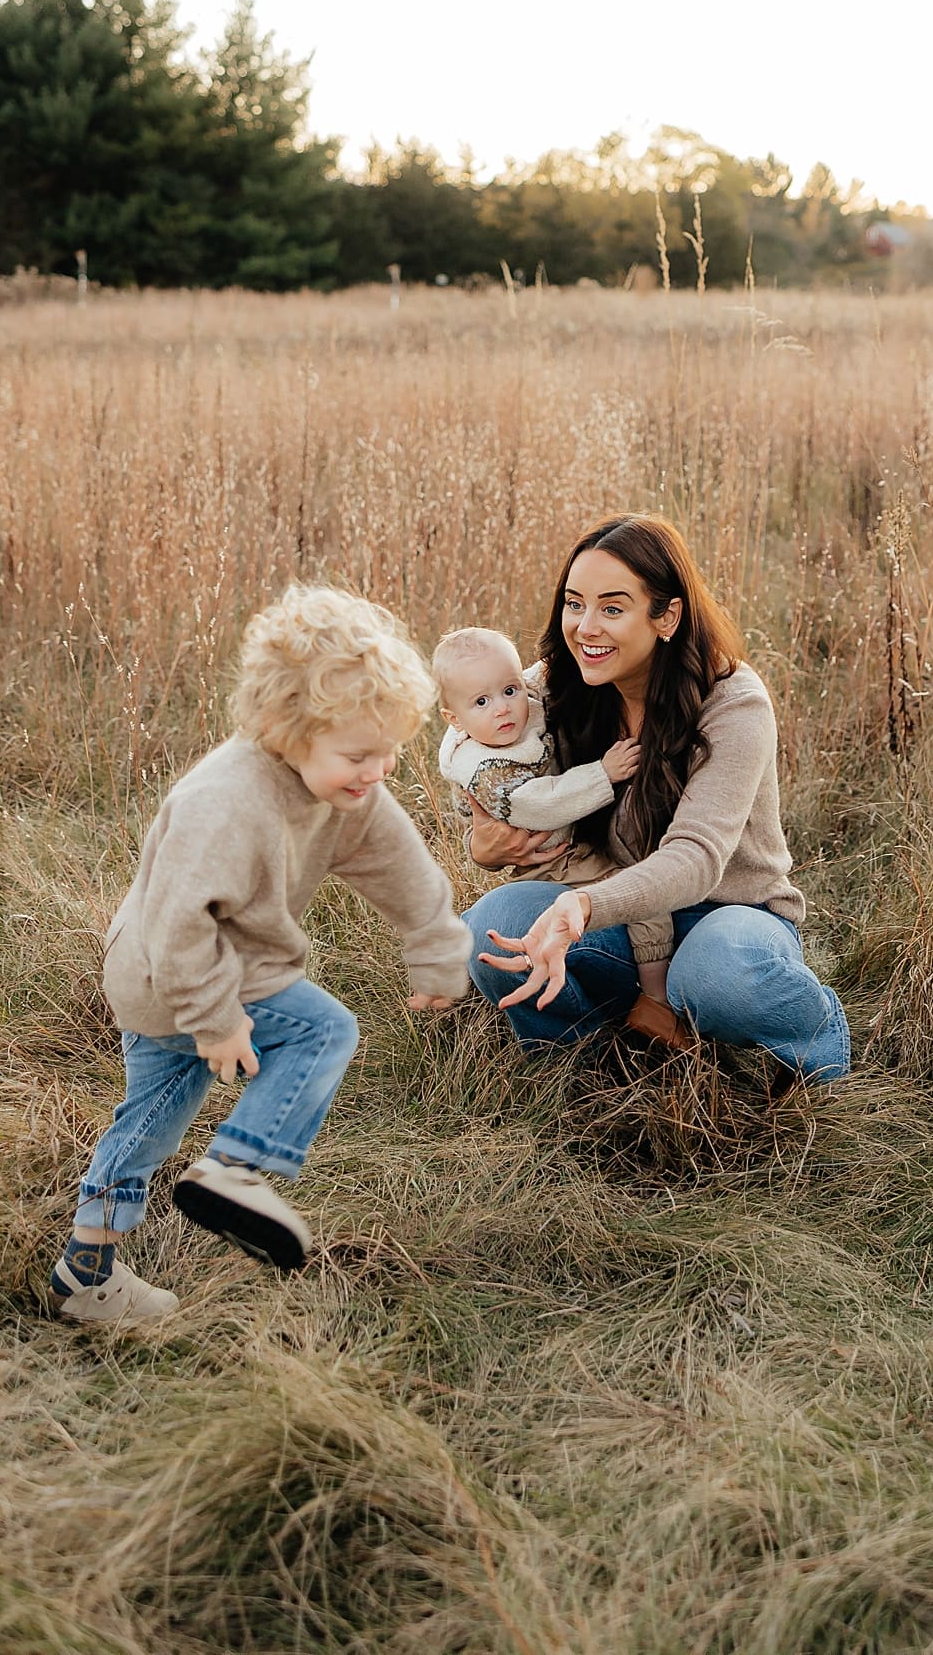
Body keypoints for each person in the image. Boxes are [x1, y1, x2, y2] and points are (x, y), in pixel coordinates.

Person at [48, 584, 472, 1329]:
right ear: (284, 728)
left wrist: (436, 944)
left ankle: (85, 1271)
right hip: (177, 967)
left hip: (179, 975)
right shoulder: (229, 799)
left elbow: (400, 864)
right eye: (359, 755)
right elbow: (181, 923)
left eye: (390, 752)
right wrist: (213, 1020)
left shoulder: (346, 786)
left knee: (149, 1120)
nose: (379, 772)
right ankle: (239, 1168)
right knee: (323, 1031)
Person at [462, 516, 850, 1085]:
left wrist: (584, 906)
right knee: (491, 926)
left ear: (666, 616)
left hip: (729, 913)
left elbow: (695, 858)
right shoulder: (559, 683)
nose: (586, 628)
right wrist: (486, 838)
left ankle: (817, 1052)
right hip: (625, 918)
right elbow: (470, 733)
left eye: (612, 609)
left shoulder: (734, 703)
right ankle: (584, 1067)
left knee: (718, 976)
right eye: (574, 604)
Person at [432, 627, 685, 1044]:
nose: (503, 709)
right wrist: (603, 773)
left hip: (572, 851)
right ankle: (655, 1004)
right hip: (557, 865)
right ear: (454, 720)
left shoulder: (519, 706)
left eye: (509, 690)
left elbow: (536, 677)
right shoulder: (485, 768)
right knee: (647, 907)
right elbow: (541, 803)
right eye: (482, 701)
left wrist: (567, 657)